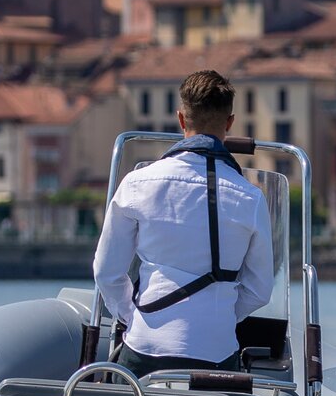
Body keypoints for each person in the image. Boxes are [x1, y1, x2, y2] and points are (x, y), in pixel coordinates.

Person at [93, 69, 275, 374]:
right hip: (216, 354)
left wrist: (132, 316)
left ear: (181, 119)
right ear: (230, 122)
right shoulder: (251, 198)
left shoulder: (137, 183)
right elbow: (259, 290)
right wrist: (217, 319)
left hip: (144, 346)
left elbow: (106, 272)